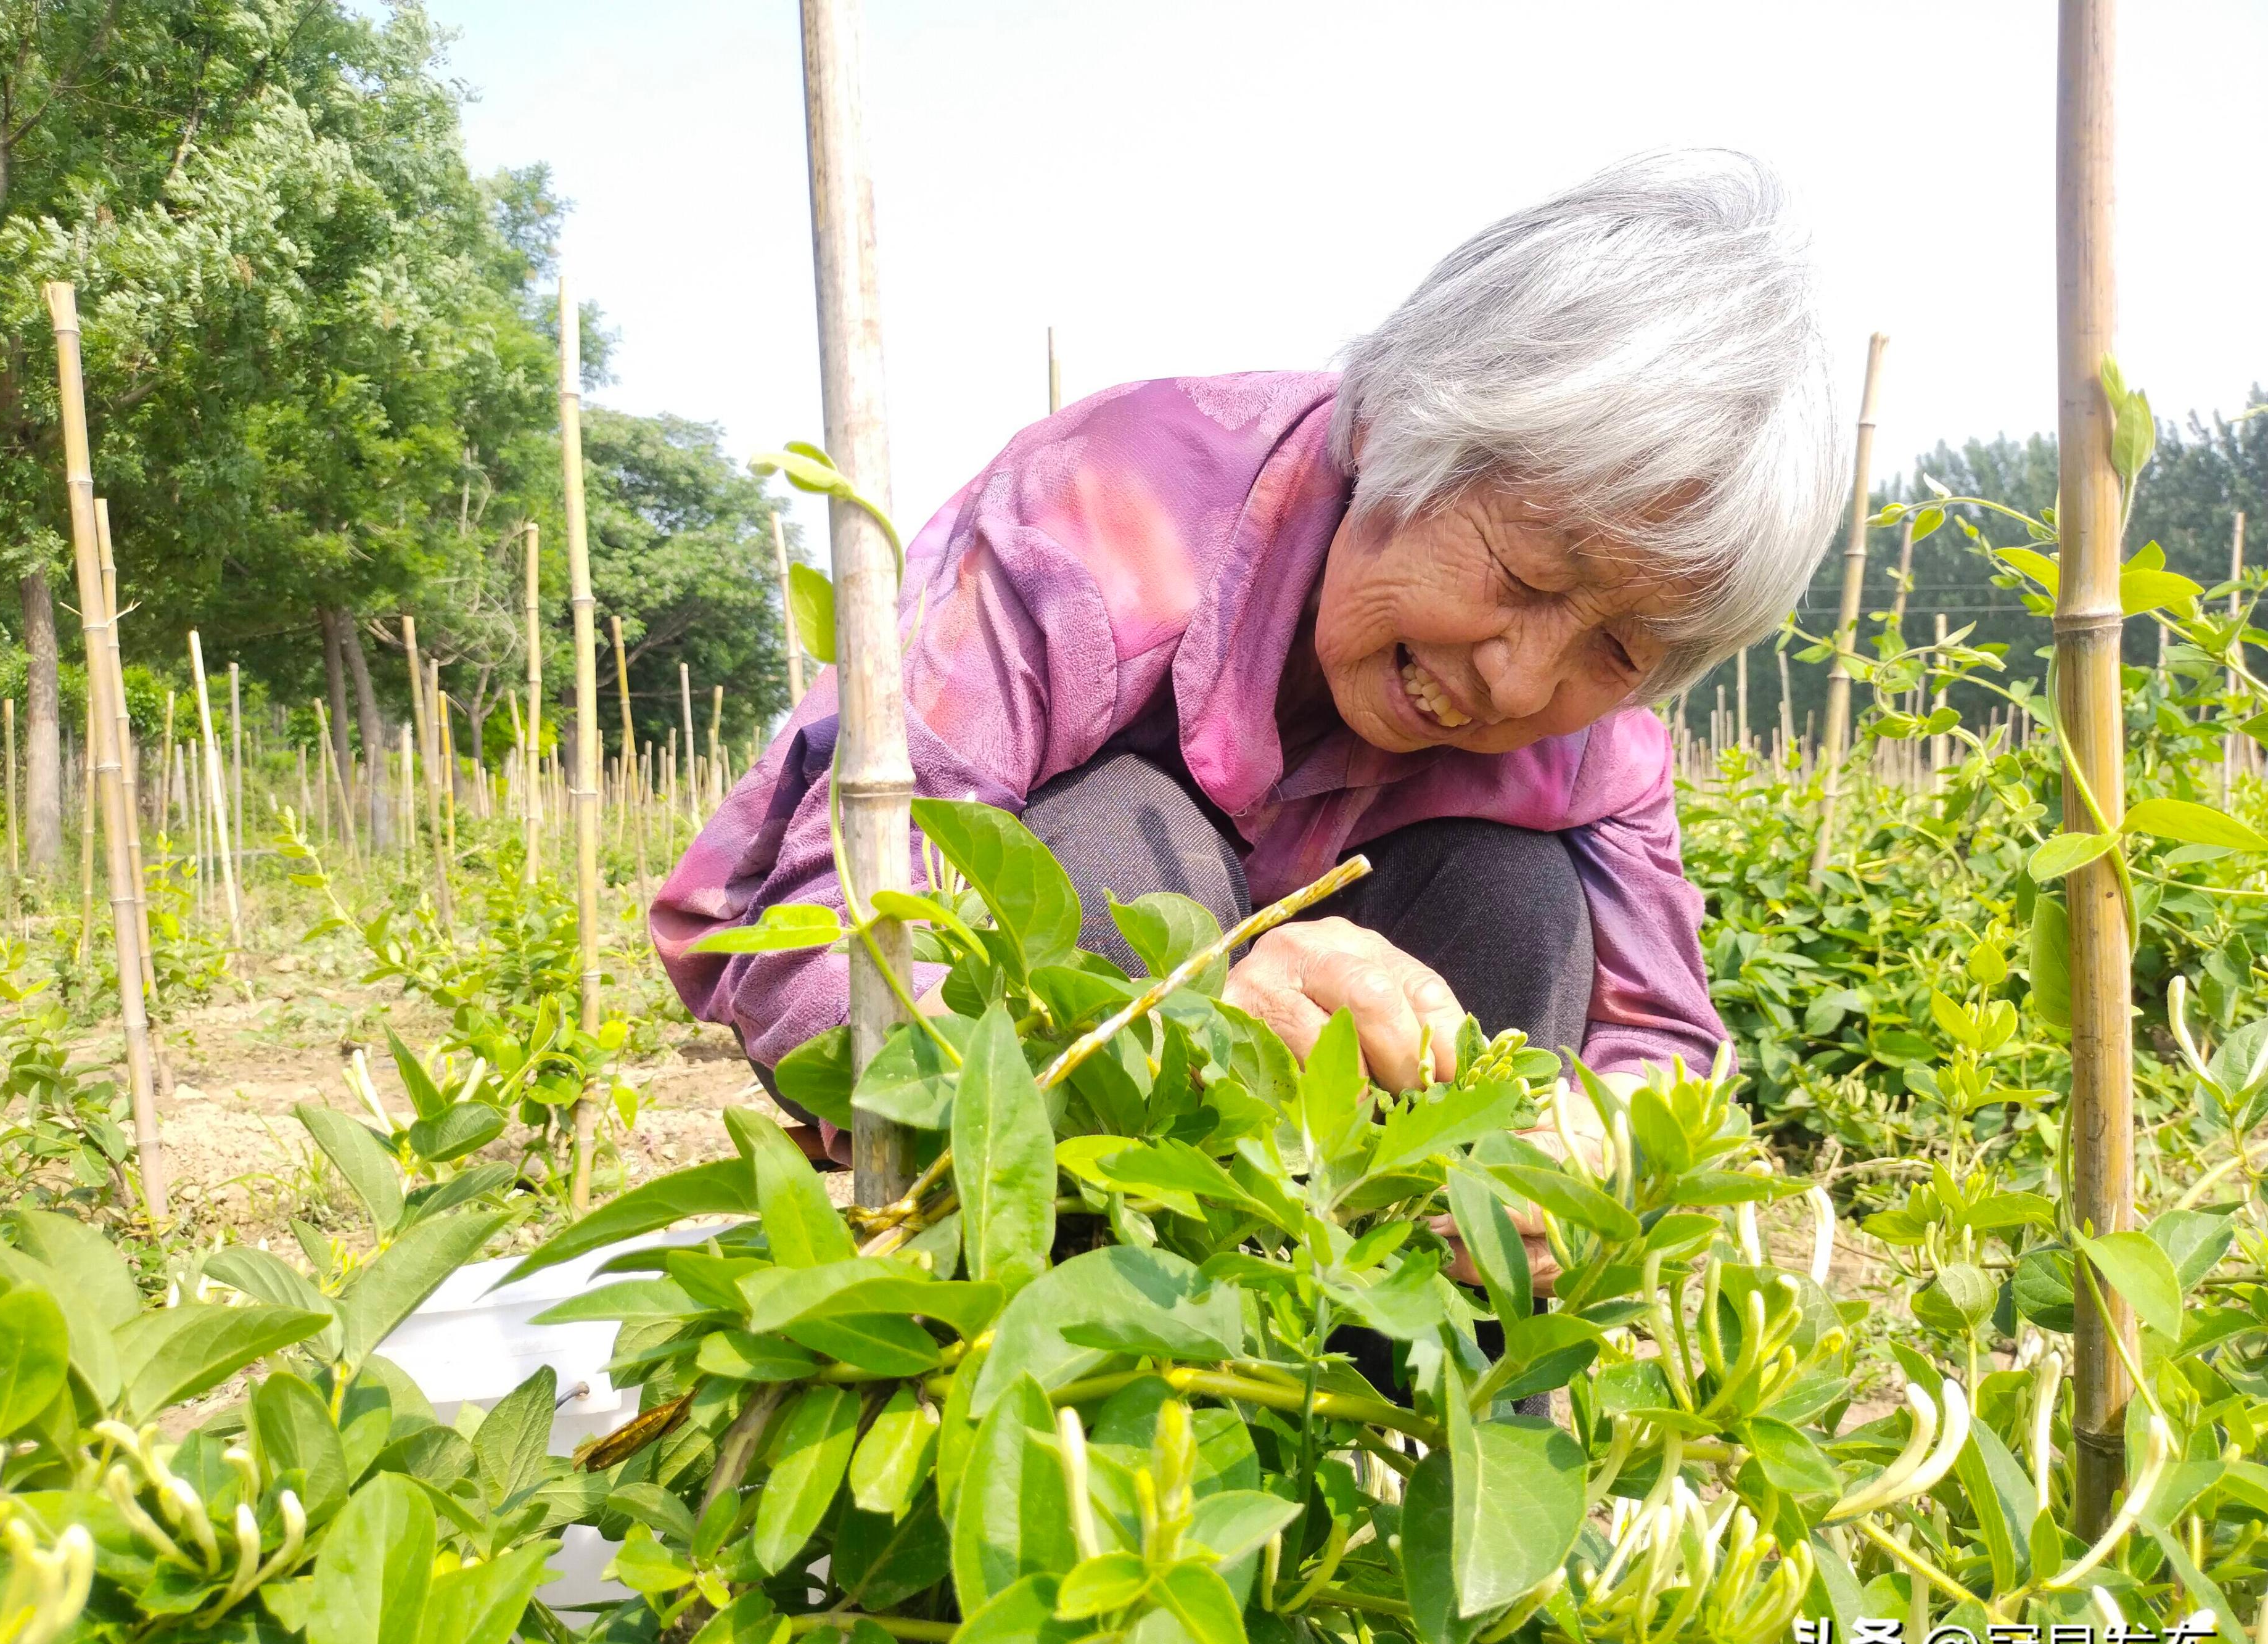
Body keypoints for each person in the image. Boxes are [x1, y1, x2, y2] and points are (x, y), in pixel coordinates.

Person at [654, 151, 1847, 1273]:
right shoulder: (1107, 522)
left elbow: (1665, 1051)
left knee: (1518, 902)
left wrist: (1586, 1152)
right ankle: (1078, 1390)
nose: (1522, 684)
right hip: (1044, 1127)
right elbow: (823, 947)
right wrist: (1174, 1026)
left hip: (1353, 1196)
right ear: (1390, 430)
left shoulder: (1595, 742)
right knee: (1119, 846)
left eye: (1618, 649)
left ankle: (1418, 1417)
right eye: (1526, 578)